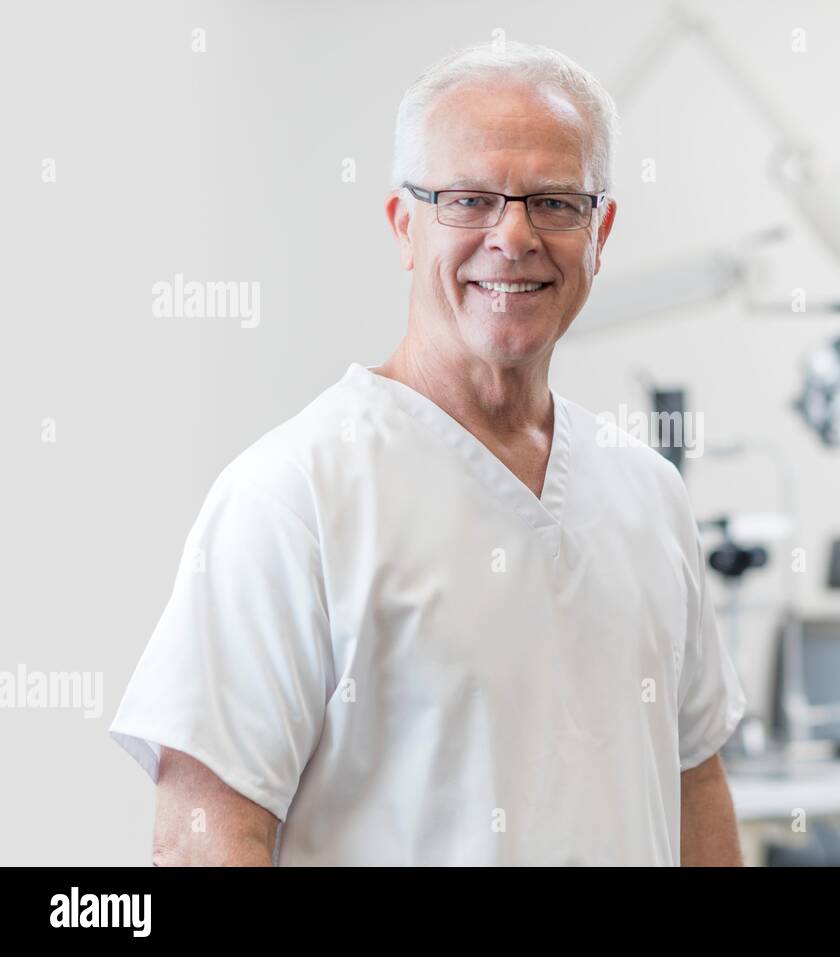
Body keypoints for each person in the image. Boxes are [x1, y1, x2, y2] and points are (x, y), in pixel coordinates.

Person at [109, 40, 748, 866]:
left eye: (555, 202)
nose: (513, 236)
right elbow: (208, 828)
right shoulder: (295, 494)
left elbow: (694, 780)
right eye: (469, 199)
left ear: (602, 231)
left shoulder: (648, 493)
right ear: (404, 225)